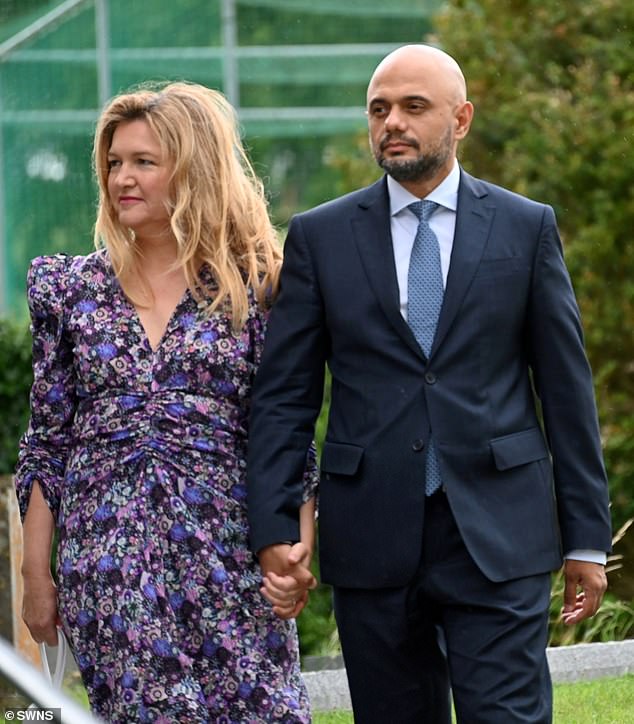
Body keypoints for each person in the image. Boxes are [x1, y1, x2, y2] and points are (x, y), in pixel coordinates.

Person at [247, 44, 613, 723]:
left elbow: (566, 390)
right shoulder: (321, 237)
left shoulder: (526, 227)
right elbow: (284, 396)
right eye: (379, 110)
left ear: (462, 118)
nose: (392, 123)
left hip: (501, 531)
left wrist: (586, 536)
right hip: (372, 534)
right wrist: (272, 525)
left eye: (414, 107)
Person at [15, 81, 318, 724]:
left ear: (194, 171)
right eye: (115, 163)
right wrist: (34, 576)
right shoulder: (70, 291)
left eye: (144, 162)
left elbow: (285, 427)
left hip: (230, 554)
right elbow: (46, 443)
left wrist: (296, 549)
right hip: (107, 565)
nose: (123, 177)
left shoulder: (257, 285)